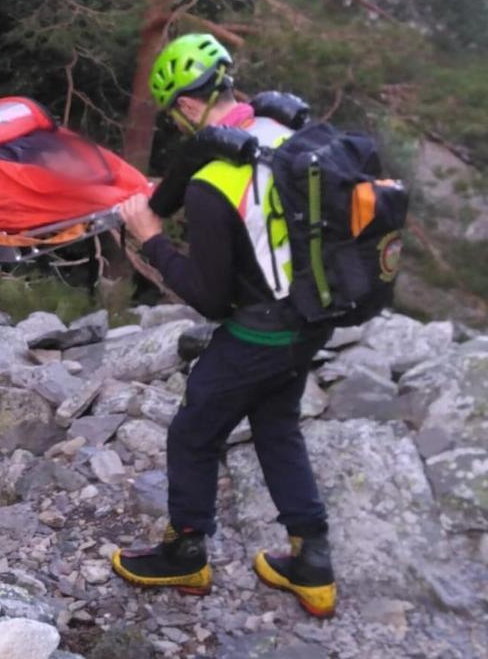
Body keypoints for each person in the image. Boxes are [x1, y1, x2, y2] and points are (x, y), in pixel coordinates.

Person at [112, 34, 336, 618]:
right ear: (226, 85)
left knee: (193, 432)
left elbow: (209, 299)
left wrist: (152, 241)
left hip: (264, 329)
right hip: (313, 316)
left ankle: (185, 553)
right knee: (276, 423)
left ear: (186, 106)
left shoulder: (214, 180)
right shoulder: (283, 133)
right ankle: (311, 562)